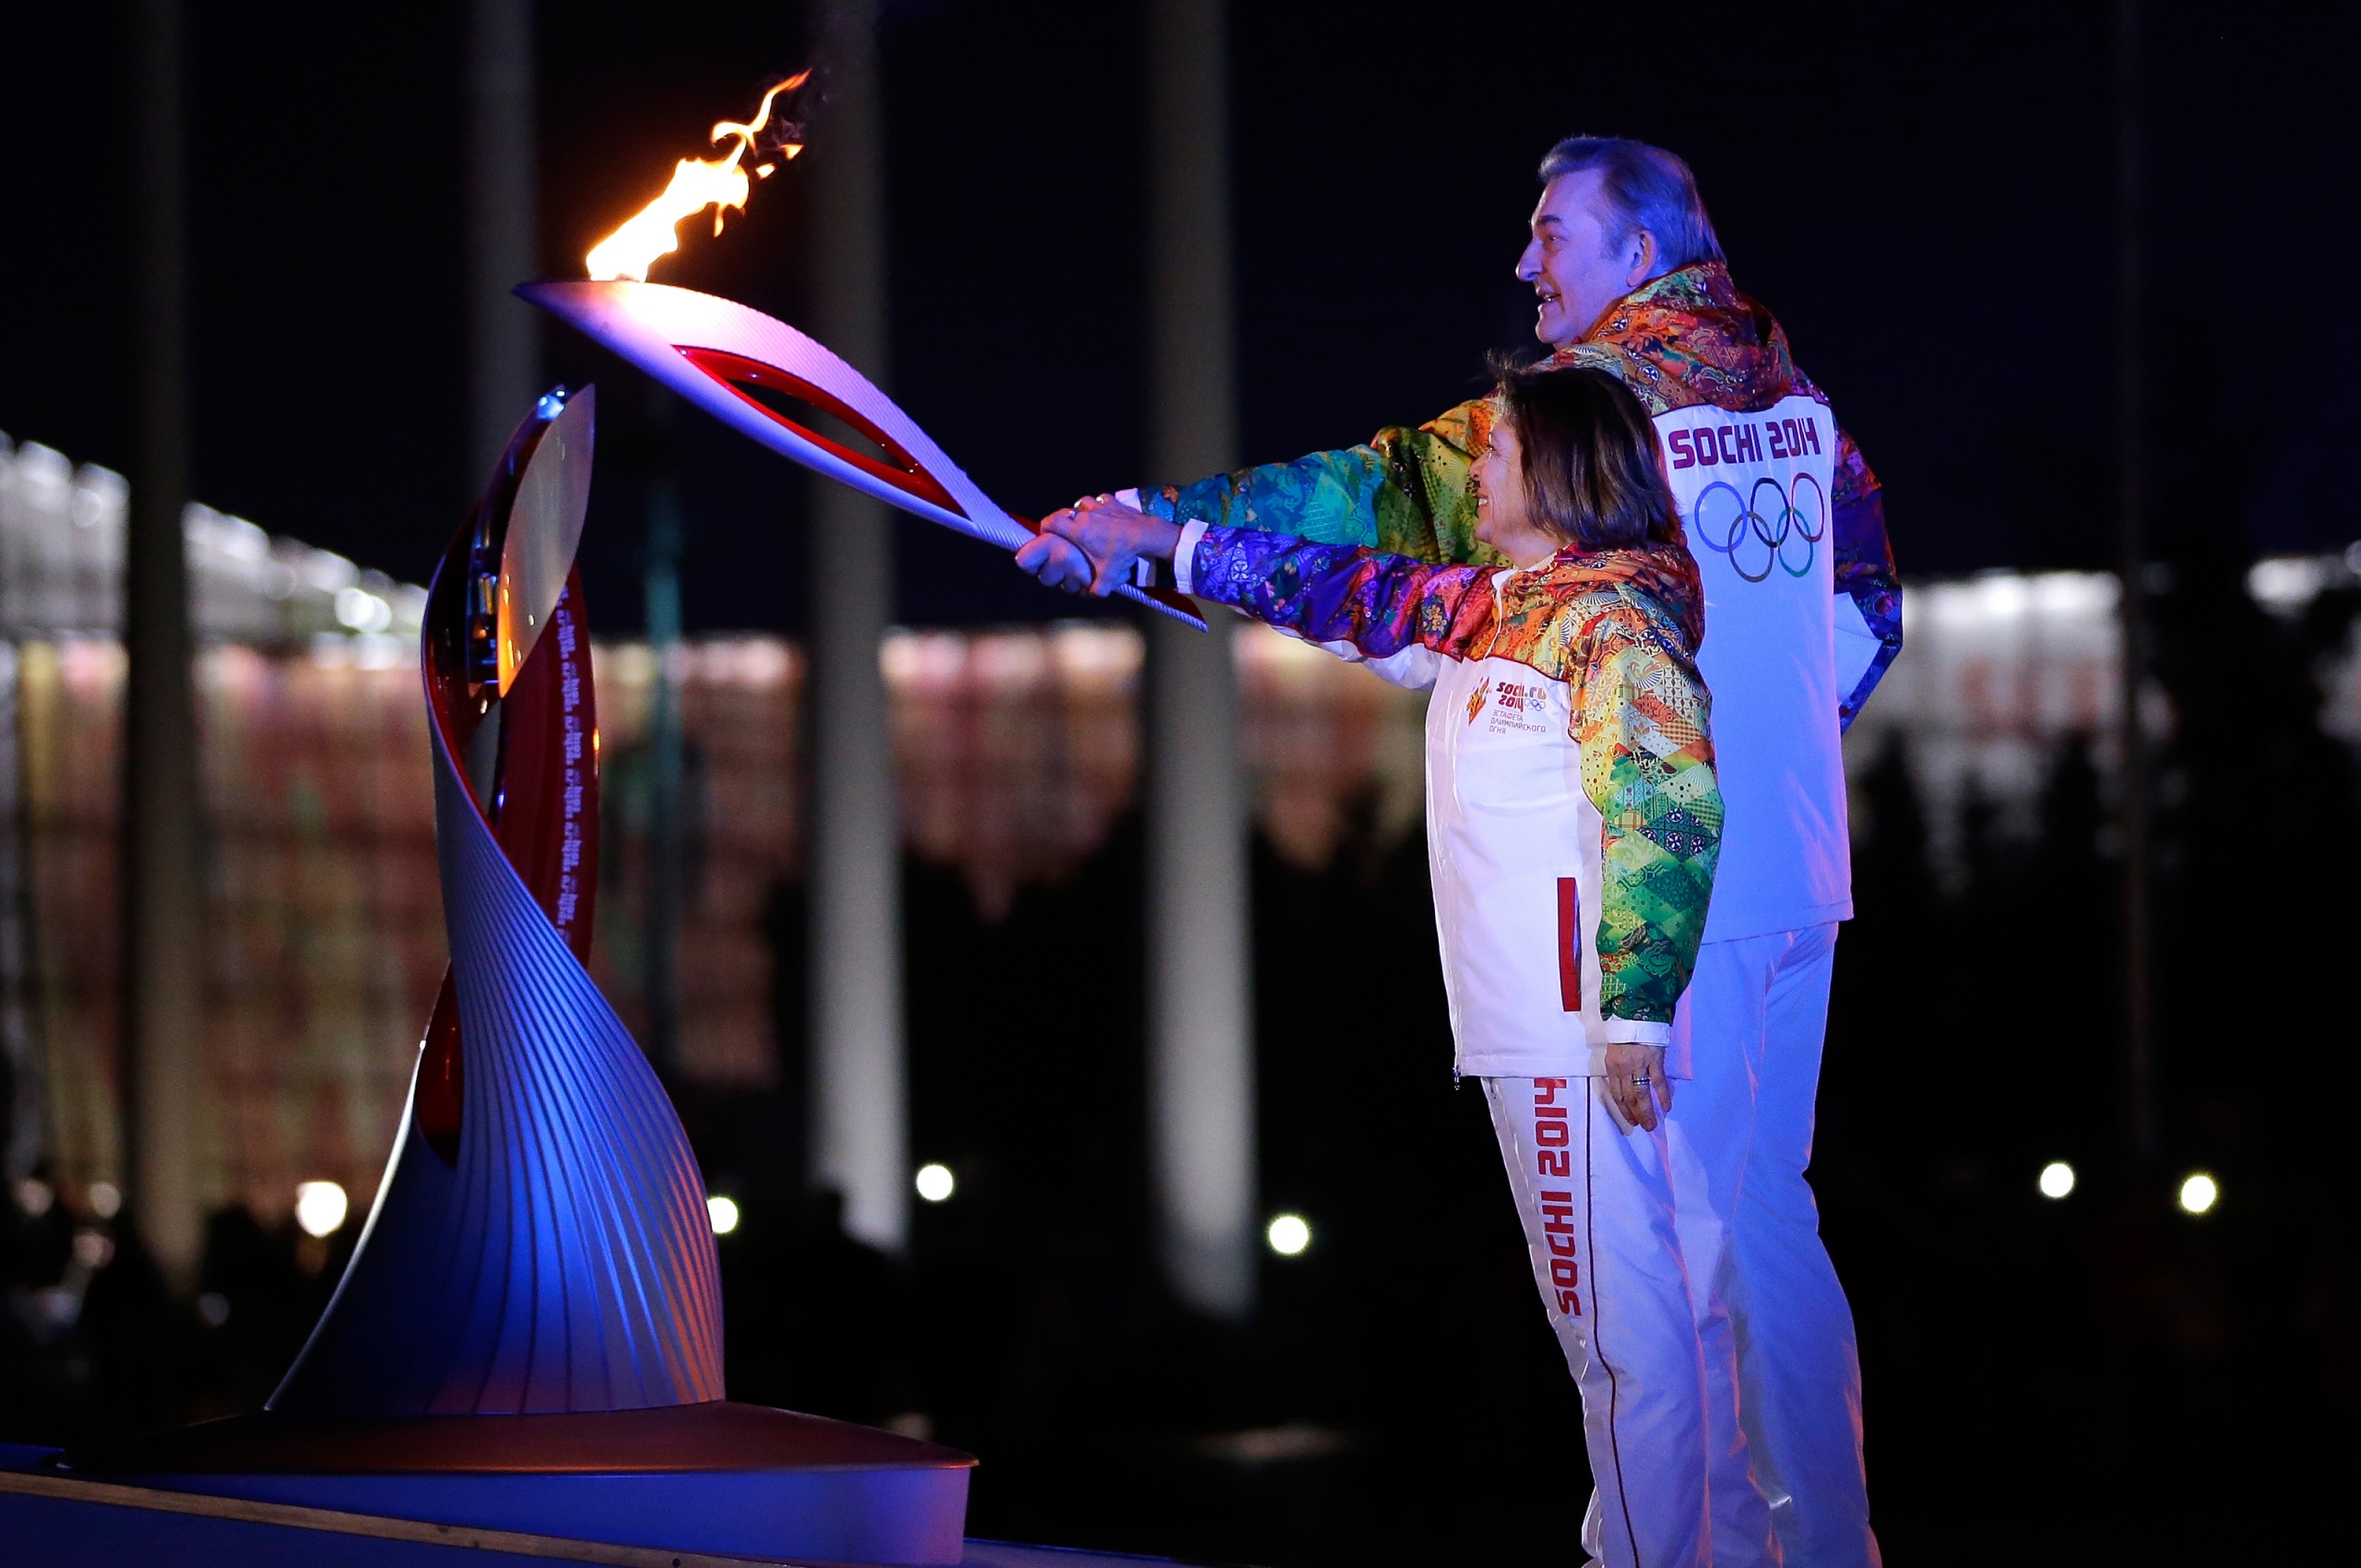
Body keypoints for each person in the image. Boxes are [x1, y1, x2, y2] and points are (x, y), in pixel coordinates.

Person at [1021, 137, 1895, 1568]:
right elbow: (1869, 613)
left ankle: (1711, 1554)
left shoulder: (1593, 407)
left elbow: (1370, 509)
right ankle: (1823, 1546)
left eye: (1555, 232)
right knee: (1762, 1225)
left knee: (1662, 1271)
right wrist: (1773, 739)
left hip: (1658, 877)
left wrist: (1152, 527)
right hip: (1794, 870)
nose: (1525, 261)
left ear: (1642, 248)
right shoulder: (1795, 397)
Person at [1052, 362, 1725, 1566]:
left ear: (1566, 472)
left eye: (1504, 452)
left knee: (1625, 1337)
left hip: (1578, 1042)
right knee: (1610, 1335)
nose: (1481, 469)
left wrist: (1633, 1017)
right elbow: (1352, 601)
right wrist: (1148, 552)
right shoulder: (1514, 613)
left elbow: (1668, 805)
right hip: (1539, 1037)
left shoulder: (1606, 618)